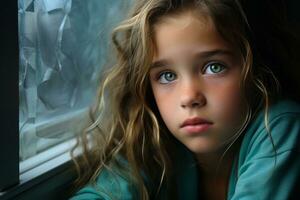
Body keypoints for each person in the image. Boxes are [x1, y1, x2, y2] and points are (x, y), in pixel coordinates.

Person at [69, 0, 300, 199]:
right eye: (167, 76)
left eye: (214, 67)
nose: (189, 97)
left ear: (255, 72)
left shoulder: (280, 126)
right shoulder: (150, 139)